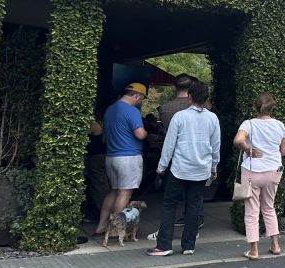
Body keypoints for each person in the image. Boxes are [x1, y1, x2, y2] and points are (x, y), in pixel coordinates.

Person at [147, 80, 220, 256]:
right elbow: (215, 145)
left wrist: (161, 167)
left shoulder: (180, 117)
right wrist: (214, 167)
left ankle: (164, 245)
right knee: (194, 205)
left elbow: (169, 145)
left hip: (180, 168)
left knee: (169, 204)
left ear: (190, 97)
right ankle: (189, 245)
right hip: (201, 169)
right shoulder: (213, 118)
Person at [234, 93, 285, 260]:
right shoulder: (280, 125)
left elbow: (238, 139)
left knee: (251, 211)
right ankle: (275, 245)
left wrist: (247, 149)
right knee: (269, 207)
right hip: (273, 171)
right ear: (272, 108)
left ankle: (254, 250)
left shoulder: (249, 124)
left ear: (254, 107)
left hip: (252, 171)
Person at [94, 83, 148, 238]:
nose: (140, 102)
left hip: (111, 157)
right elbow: (139, 134)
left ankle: (101, 226)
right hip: (128, 157)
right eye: (141, 99)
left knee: (114, 192)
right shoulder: (132, 111)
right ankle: (115, 230)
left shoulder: (110, 110)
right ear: (137, 96)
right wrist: (146, 133)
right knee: (124, 194)